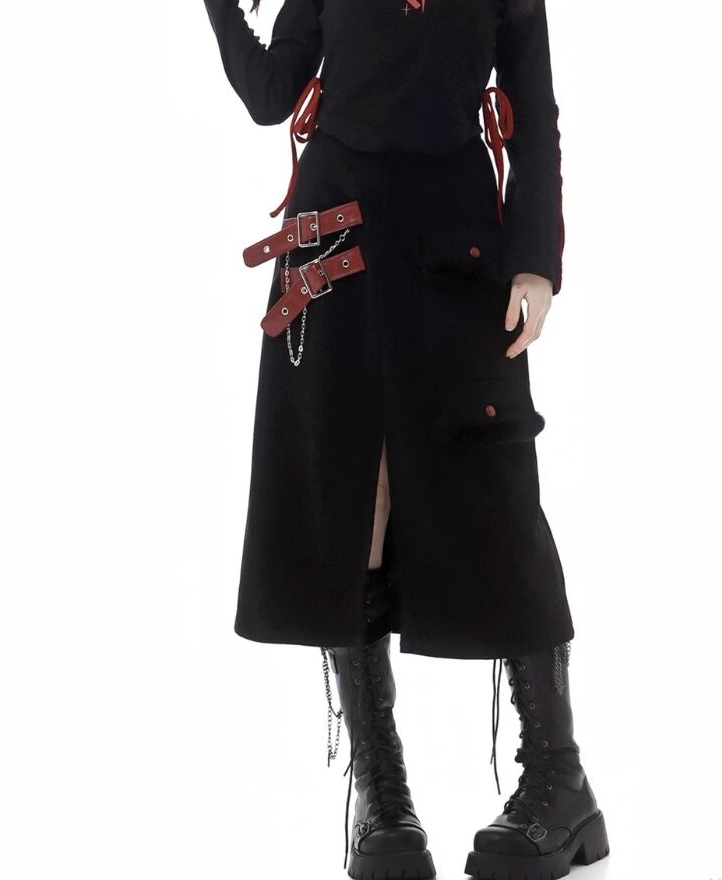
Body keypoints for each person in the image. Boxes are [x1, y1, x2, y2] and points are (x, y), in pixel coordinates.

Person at [201, 1, 609, 878]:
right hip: (335, 245)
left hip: (456, 245)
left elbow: (533, 109)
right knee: (355, 501)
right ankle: (382, 798)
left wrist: (536, 260)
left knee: (497, 502)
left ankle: (559, 778)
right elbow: (272, 94)